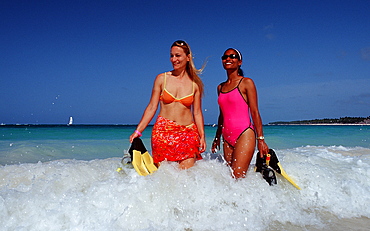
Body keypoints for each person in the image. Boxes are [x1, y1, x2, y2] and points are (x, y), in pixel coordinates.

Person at [130, 40, 206, 169]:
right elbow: (151, 107)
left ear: (188, 57)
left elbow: (197, 112)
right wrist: (138, 130)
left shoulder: (195, 84)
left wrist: (202, 135)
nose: (174, 59)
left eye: (178, 55)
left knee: (185, 178)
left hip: (188, 133)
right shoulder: (162, 78)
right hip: (163, 133)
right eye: (172, 55)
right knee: (165, 176)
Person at [211, 48, 269, 178]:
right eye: (225, 57)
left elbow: (254, 111)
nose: (228, 59)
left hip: (244, 133)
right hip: (227, 137)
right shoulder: (220, 87)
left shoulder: (246, 83)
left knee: (237, 176)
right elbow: (222, 114)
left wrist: (261, 139)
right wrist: (217, 137)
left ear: (240, 62)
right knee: (230, 178)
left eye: (232, 56)